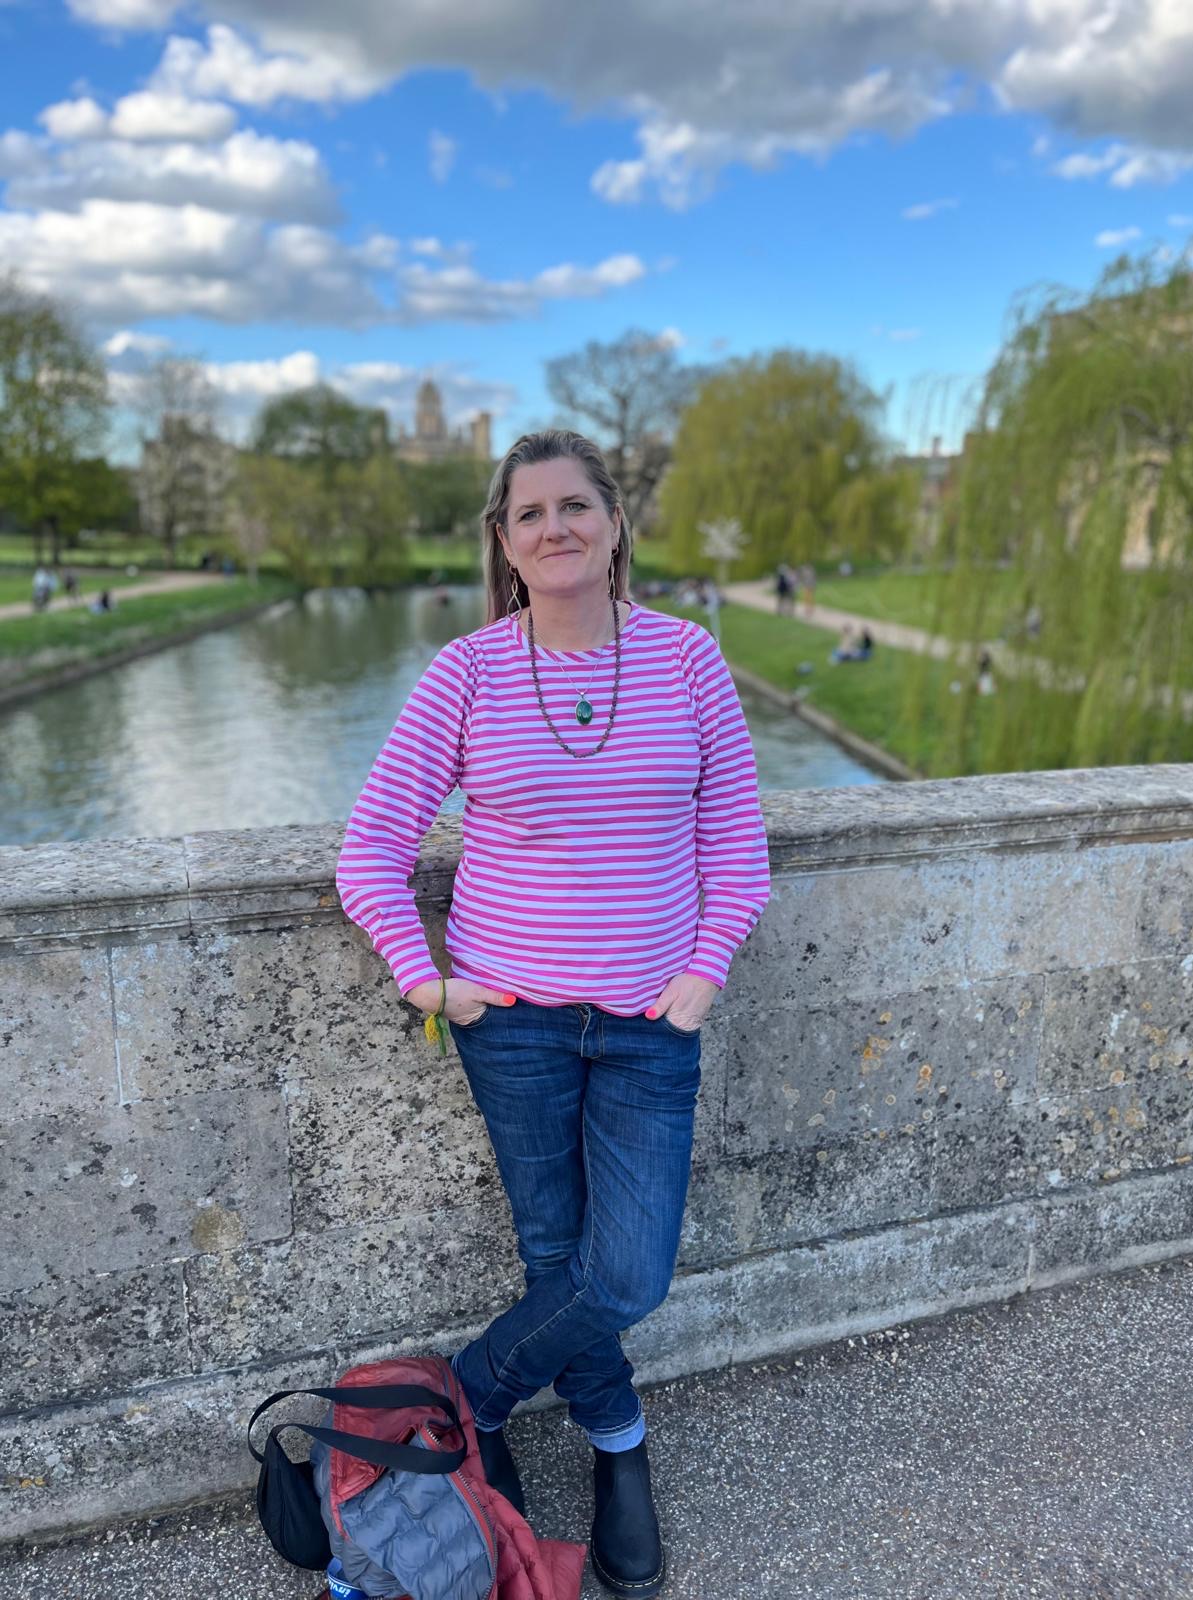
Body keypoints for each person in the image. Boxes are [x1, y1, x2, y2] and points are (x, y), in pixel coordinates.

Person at [336, 430, 770, 1600]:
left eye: (576, 505)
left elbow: (736, 841)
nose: (555, 527)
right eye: (529, 514)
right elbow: (370, 847)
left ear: (616, 523)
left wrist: (706, 965)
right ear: (505, 541)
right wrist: (424, 977)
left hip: (650, 1022)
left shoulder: (688, 660)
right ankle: (619, 1450)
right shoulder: (467, 672)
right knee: (552, 1253)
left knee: (623, 1275)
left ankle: (467, 1399)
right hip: (511, 1019)